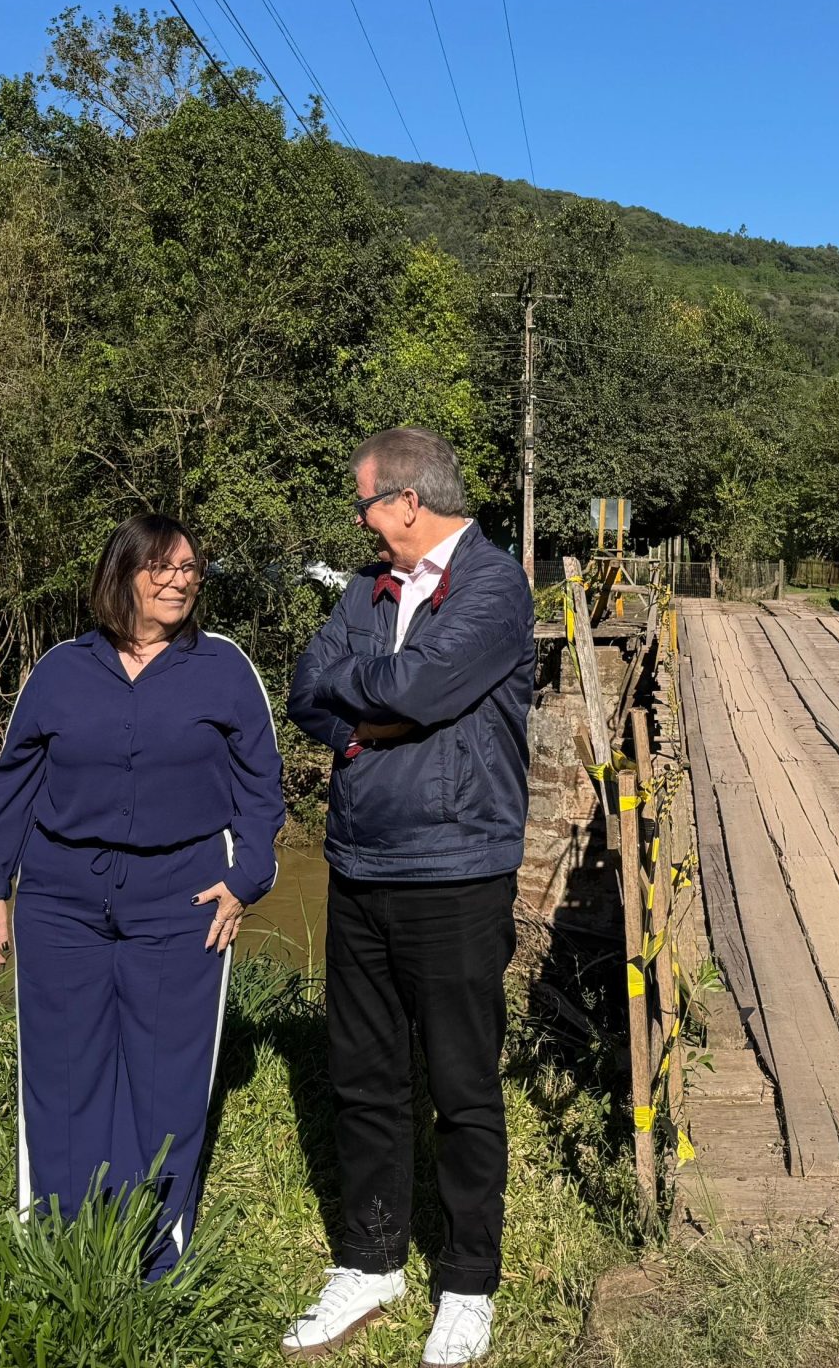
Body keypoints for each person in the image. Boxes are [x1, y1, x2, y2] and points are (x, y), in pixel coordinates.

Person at [0, 513, 283, 1279]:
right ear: (123, 575)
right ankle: (65, 1243)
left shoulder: (225, 669)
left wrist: (245, 881)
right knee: (63, 1073)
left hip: (181, 901)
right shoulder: (60, 670)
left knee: (165, 1078)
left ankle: (153, 1250)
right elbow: (13, 783)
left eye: (190, 569)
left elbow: (262, 789)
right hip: (60, 900)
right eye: (161, 567)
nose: (179, 580)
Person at [279, 429, 536, 1368]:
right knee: (364, 1078)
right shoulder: (360, 591)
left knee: (463, 1087)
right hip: (359, 862)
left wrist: (385, 702)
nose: (359, 522)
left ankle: (468, 1282)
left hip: (458, 868)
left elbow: (424, 686)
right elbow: (309, 692)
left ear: (407, 503)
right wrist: (372, 710)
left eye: (363, 505)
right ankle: (371, 1261)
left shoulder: (496, 587)